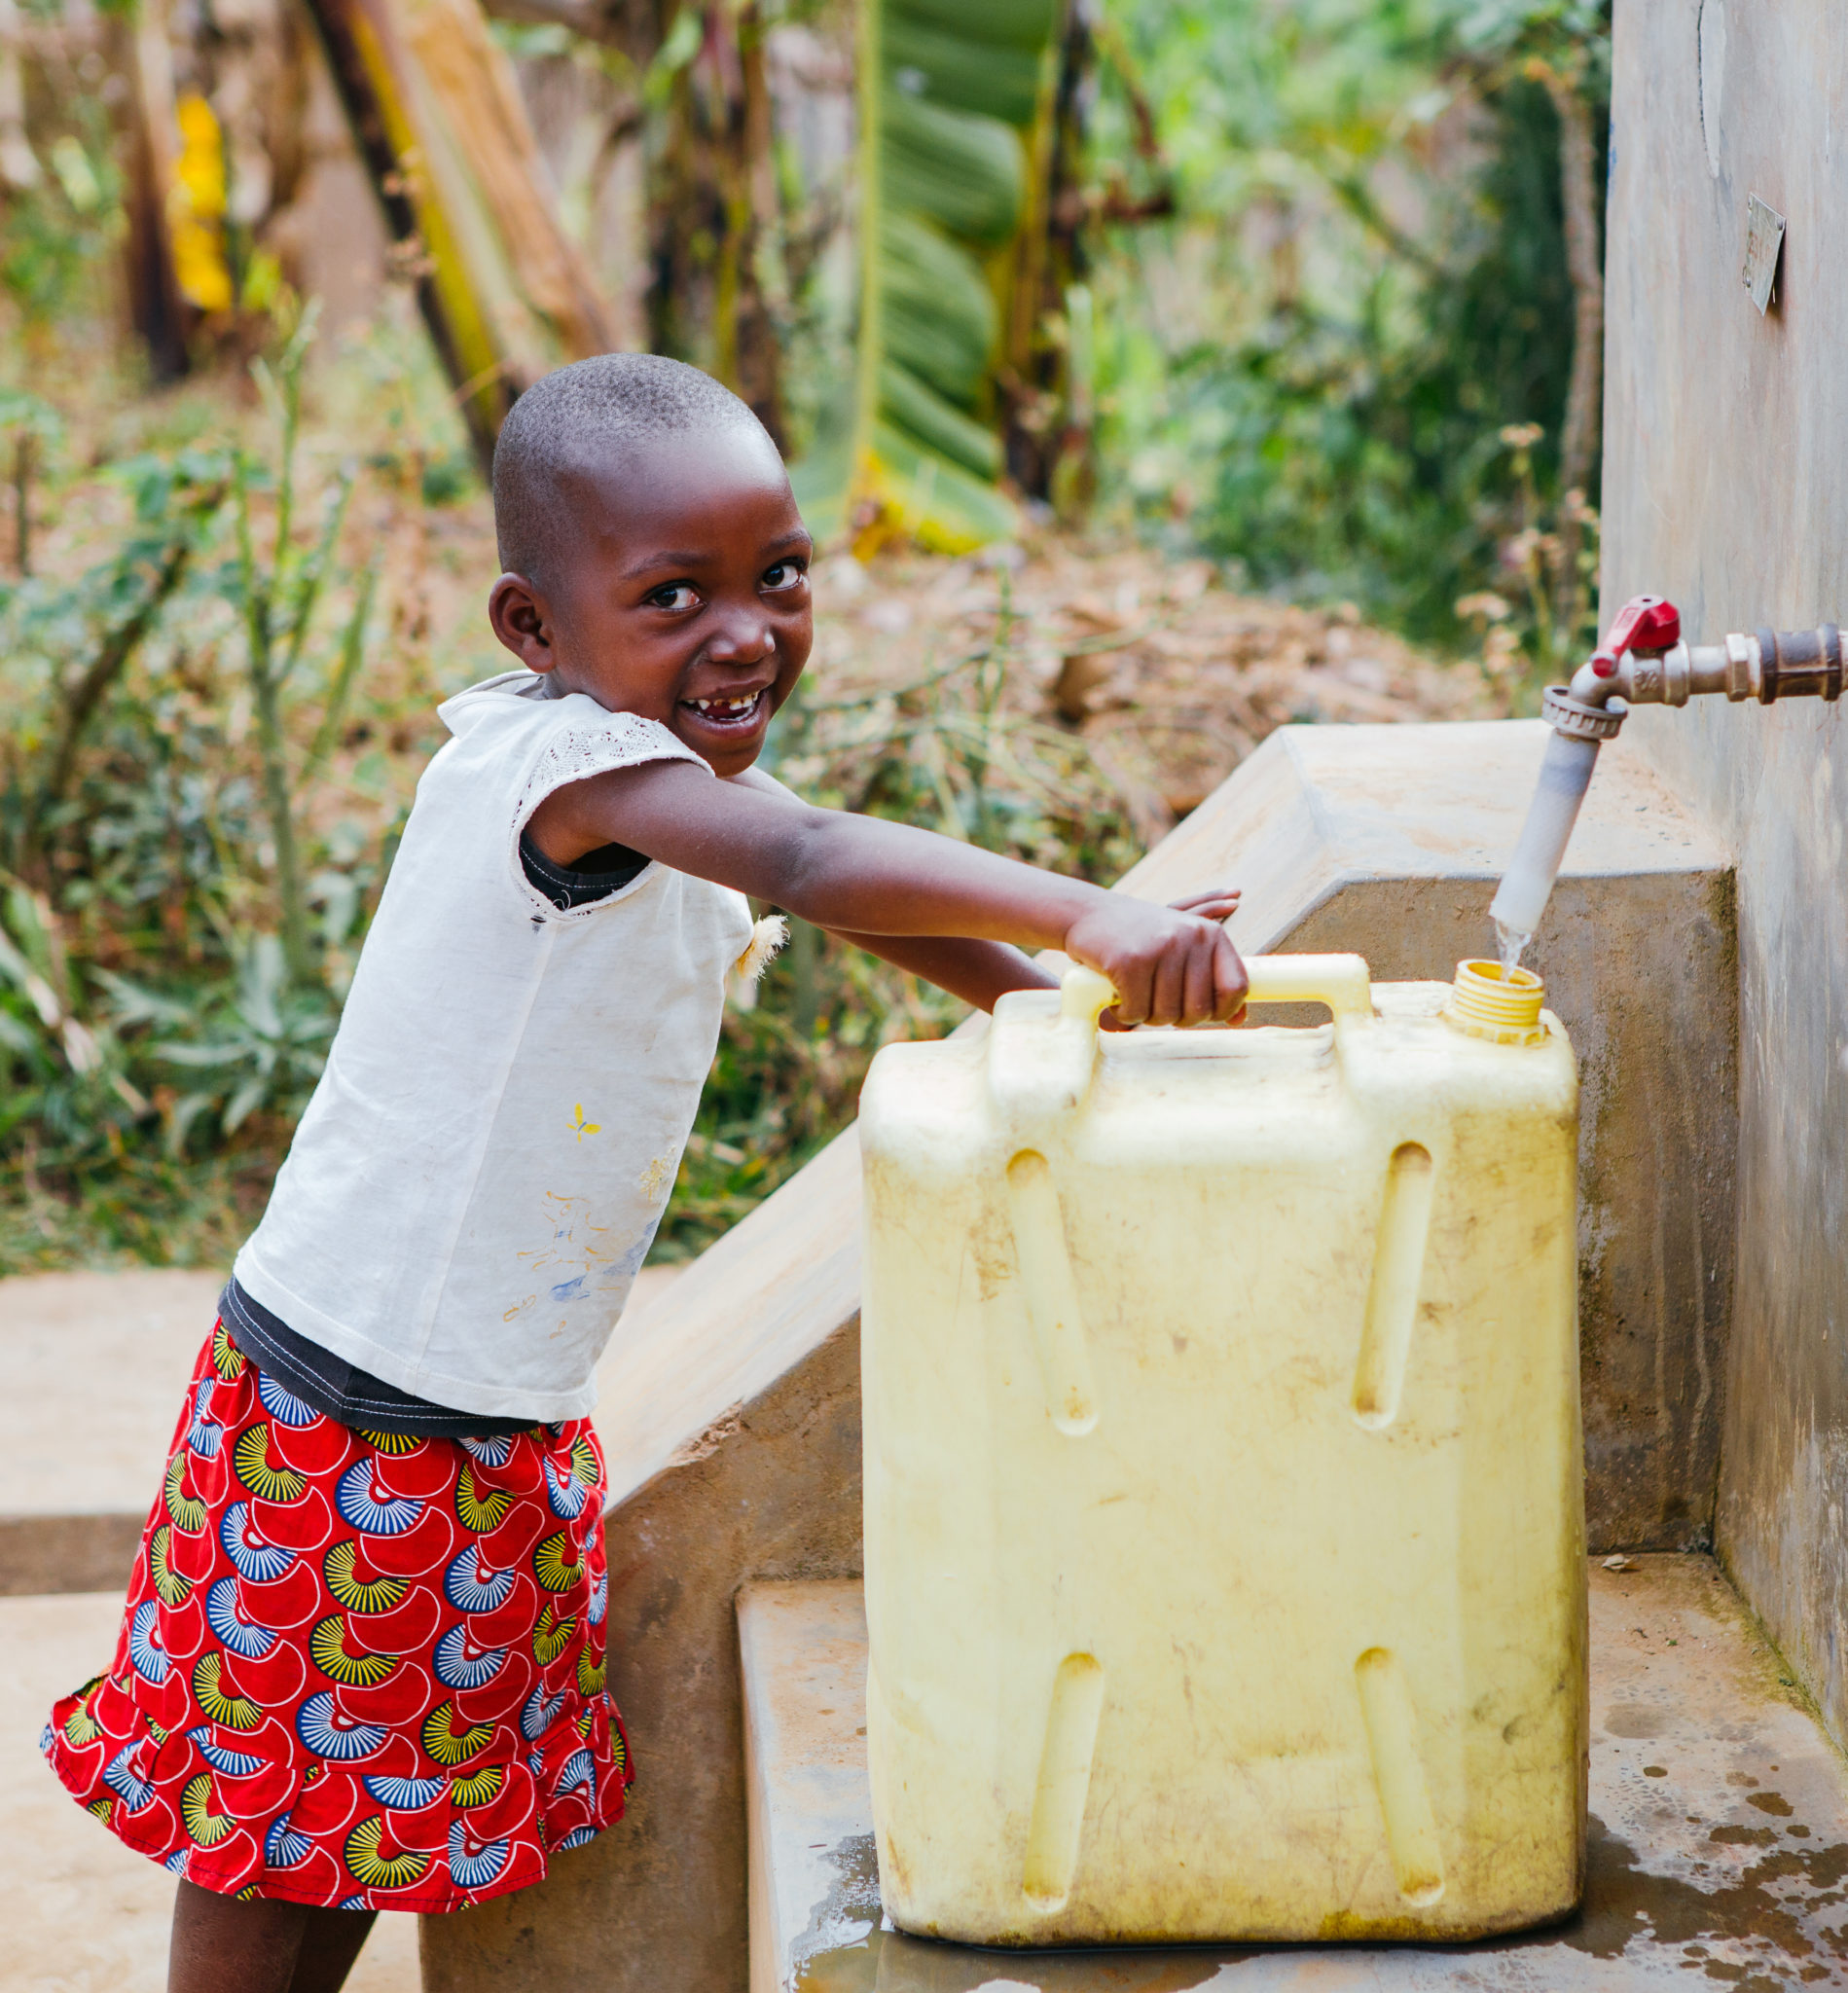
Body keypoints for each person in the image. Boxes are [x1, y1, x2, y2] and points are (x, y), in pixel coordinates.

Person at [42, 353, 1248, 1993]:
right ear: (535, 630)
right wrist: (1097, 912)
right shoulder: (565, 773)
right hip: (355, 1419)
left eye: (779, 576)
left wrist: (1076, 1005)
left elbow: (851, 894)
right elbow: (819, 862)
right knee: (278, 1872)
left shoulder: (667, 787)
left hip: (470, 1410)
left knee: (338, 1840)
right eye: (674, 595)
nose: (745, 631)